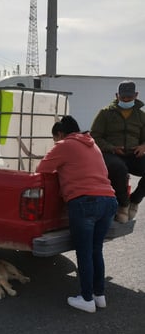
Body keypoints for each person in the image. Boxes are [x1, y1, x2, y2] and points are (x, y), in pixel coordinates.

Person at [36, 116, 118, 313]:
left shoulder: (65, 144)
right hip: (108, 200)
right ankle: (99, 295)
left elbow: (42, 169)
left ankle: (87, 299)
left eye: (55, 139)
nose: (55, 143)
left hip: (85, 202)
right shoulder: (92, 144)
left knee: (84, 252)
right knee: (95, 250)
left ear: (60, 134)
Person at [90, 80, 145, 224]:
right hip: (112, 153)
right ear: (117, 95)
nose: (126, 100)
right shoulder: (105, 113)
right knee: (119, 168)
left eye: (129, 97)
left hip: (134, 154)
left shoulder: (141, 116)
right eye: (123, 97)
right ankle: (123, 205)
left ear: (136, 95)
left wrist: (143, 146)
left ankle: (135, 200)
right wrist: (111, 148)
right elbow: (95, 136)